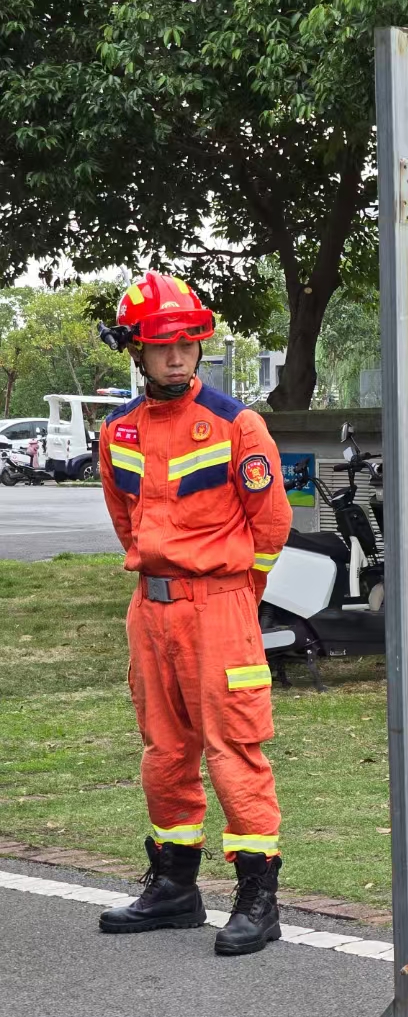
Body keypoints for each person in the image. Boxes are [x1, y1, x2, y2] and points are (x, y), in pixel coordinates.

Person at [95, 271, 292, 956]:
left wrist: (235, 597)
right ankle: (175, 887)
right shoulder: (116, 431)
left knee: (234, 747)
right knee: (164, 749)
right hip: (150, 611)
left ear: (200, 345)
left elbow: (271, 527)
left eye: (186, 343)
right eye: (161, 345)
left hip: (220, 607)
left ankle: (258, 898)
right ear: (138, 351)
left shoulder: (238, 424)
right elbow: (126, 521)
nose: (176, 356)